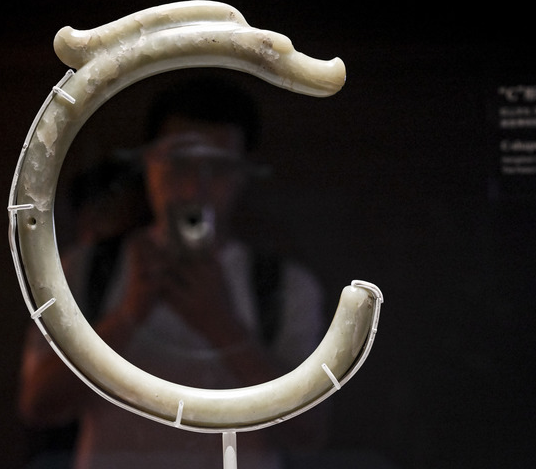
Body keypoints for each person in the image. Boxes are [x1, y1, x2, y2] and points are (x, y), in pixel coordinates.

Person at [18, 75, 328, 469]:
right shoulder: (88, 269)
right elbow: (38, 404)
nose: (195, 188)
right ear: (149, 164)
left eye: (217, 168)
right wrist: (129, 314)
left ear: (241, 175)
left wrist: (221, 324)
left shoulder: (284, 287)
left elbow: (308, 435)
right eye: (179, 164)